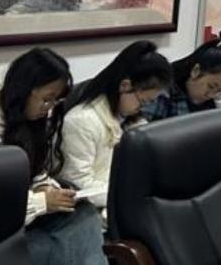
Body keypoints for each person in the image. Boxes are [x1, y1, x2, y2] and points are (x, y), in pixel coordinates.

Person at [0, 49, 139, 265]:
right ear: (23, 90)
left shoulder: (29, 121)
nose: (49, 109)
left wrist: (46, 186)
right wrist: (40, 202)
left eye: (55, 101)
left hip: (24, 228)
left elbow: (35, 172)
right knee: (66, 256)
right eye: (46, 99)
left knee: (81, 213)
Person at [59, 41, 171, 210]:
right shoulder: (81, 122)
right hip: (95, 208)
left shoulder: (133, 121)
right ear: (125, 86)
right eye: (143, 101)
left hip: (125, 201)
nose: (144, 108)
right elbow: (77, 184)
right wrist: (130, 193)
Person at [142, 40, 221, 121]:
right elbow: (144, 134)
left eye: (219, 90)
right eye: (211, 86)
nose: (211, 95)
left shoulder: (211, 103)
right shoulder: (161, 94)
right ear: (196, 71)